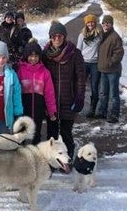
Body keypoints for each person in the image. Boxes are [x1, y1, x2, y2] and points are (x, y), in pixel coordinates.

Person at [41, 21, 85, 160]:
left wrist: (79, 97)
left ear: (64, 37)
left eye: (60, 35)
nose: (57, 38)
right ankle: (52, 160)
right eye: (54, 36)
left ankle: (68, 159)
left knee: (66, 133)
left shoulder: (75, 53)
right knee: (51, 134)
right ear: (50, 37)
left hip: (68, 100)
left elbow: (80, 78)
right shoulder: (45, 55)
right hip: (51, 102)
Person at [16, 38, 57, 144]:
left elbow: (49, 93)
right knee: (21, 135)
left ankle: (35, 155)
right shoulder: (20, 71)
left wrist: (51, 111)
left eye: (36, 56)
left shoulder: (45, 72)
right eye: (30, 56)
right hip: (23, 109)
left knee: (36, 134)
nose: (33, 58)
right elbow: (15, 92)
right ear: (26, 56)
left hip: (38, 110)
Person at [95, 15, 125, 123]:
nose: (105, 24)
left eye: (108, 23)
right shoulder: (102, 35)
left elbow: (119, 53)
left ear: (111, 24)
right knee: (103, 92)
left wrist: (110, 62)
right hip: (103, 70)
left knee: (113, 94)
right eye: (104, 23)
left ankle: (114, 115)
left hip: (113, 71)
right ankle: (102, 112)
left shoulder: (115, 37)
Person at [77, 14, 103, 118]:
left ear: (95, 23)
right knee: (80, 86)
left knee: (94, 86)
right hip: (84, 63)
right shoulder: (82, 35)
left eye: (92, 22)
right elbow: (78, 50)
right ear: (86, 24)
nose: (90, 24)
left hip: (95, 64)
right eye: (88, 22)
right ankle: (78, 105)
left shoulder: (99, 35)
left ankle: (92, 108)